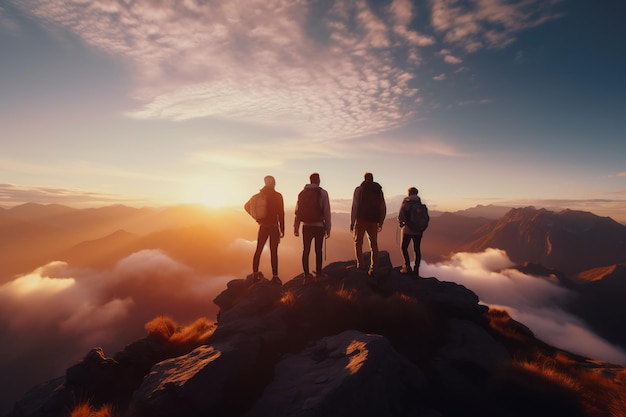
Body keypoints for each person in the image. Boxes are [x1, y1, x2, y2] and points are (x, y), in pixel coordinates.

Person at [244, 175, 285, 285]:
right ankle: (275, 277)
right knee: (273, 251)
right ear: (273, 183)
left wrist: (256, 217)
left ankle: (255, 274)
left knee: (258, 250)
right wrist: (282, 228)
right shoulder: (277, 196)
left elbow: (246, 206)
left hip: (263, 227)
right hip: (274, 227)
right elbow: (281, 213)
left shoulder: (258, 195)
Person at [294, 172, 331, 280]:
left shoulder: (302, 193)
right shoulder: (323, 193)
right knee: (318, 250)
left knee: (306, 250)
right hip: (319, 226)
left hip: (306, 226)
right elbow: (326, 211)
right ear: (318, 180)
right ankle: (319, 274)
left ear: (310, 180)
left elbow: (298, 211)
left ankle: (306, 275)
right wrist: (328, 228)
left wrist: (296, 227)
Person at [350, 172, 386, 275]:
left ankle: (360, 265)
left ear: (364, 179)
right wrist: (381, 221)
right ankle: (374, 268)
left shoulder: (359, 190)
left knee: (358, 242)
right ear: (372, 179)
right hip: (374, 220)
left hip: (361, 219)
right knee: (374, 244)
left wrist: (352, 222)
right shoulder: (378, 190)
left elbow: (355, 206)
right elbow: (382, 206)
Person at [398, 187, 429, 277]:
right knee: (416, 249)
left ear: (409, 193)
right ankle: (416, 270)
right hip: (418, 231)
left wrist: (401, 223)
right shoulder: (420, 204)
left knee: (404, 247)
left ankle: (407, 267)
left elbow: (401, 217)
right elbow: (426, 218)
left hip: (407, 230)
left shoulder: (406, 203)